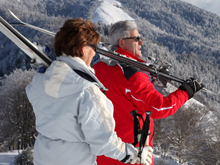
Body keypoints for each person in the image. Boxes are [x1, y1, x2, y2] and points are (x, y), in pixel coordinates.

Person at [26, 18, 153, 165]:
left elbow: (35, 93)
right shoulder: (87, 90)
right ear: (83, 49)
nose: (95, 54)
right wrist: (132, 154)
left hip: (43, 158)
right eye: (94, 48)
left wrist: (47, 70)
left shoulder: (40, 81)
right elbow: (103, 140)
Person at [93, 20, 204, 165]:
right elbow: (160, 107)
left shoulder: (97, 68)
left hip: (102, 154)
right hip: (131, 154)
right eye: (137, 39)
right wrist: (185, 92)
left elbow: (123, 94)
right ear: (122, 43)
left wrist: (149, 80)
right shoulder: (132, 74)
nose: (141, 42)